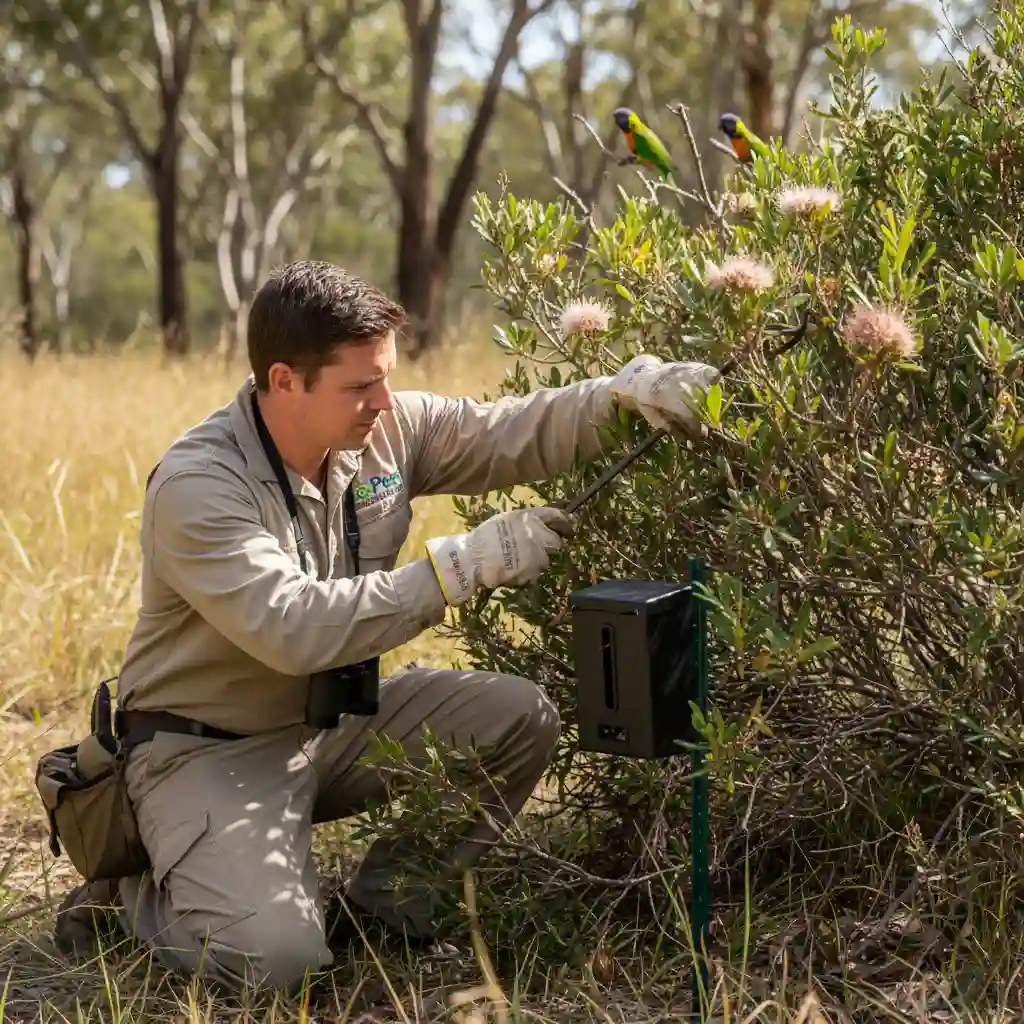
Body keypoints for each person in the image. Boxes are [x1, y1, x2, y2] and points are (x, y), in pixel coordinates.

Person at [53, 260, 719, 992]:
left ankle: (384, 910)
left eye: (387, 376)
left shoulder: (384, 428)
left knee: (518, 719)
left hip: (331, 725)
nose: (384, 401)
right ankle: (134, 894)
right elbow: (293, 628)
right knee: (273, 963)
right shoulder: (198, 486)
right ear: (283, 381)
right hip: (210, 750)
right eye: (360, 385)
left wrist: (621, 396)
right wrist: (459, 568)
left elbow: (507, 431)